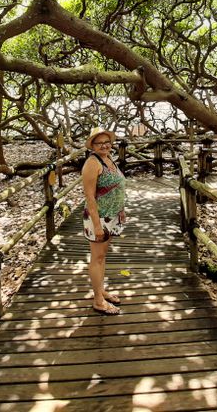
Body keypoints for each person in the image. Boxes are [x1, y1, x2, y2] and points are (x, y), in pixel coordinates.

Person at [82, 127, 126, 315]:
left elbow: (117, 185)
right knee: (97, 258)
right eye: (99, 143)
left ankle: (101, 291)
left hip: (111, 215)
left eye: (107, 142)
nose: (104, 145)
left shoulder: (108, 159)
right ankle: (98, 300)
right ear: (92, 145)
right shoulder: (92, 163)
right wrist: (98, 226)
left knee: (102, 256)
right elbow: (90, 197)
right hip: (98, 218)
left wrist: (121, 208)